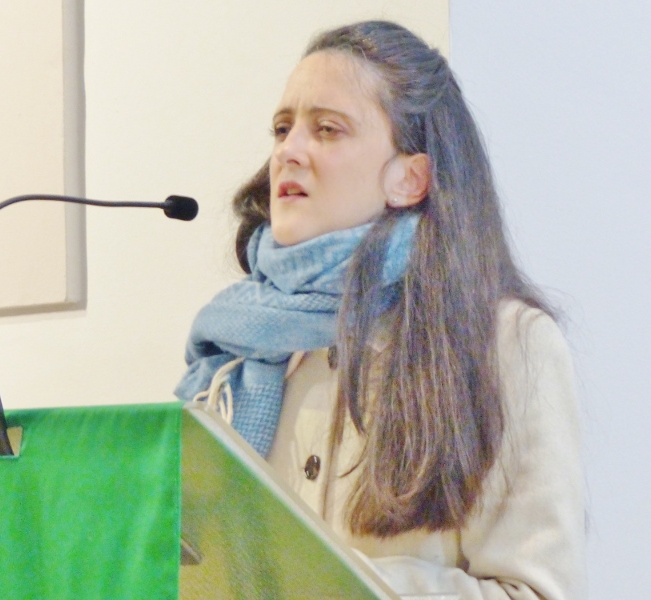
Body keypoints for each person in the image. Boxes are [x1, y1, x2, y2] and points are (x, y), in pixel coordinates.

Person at [176, 20, 586, 599]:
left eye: (327, 129)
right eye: (282, 129)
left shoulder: (508, 342)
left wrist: (332, 584)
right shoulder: (236, 350)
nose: (288, 152)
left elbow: (538, 592)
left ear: (409, 178)